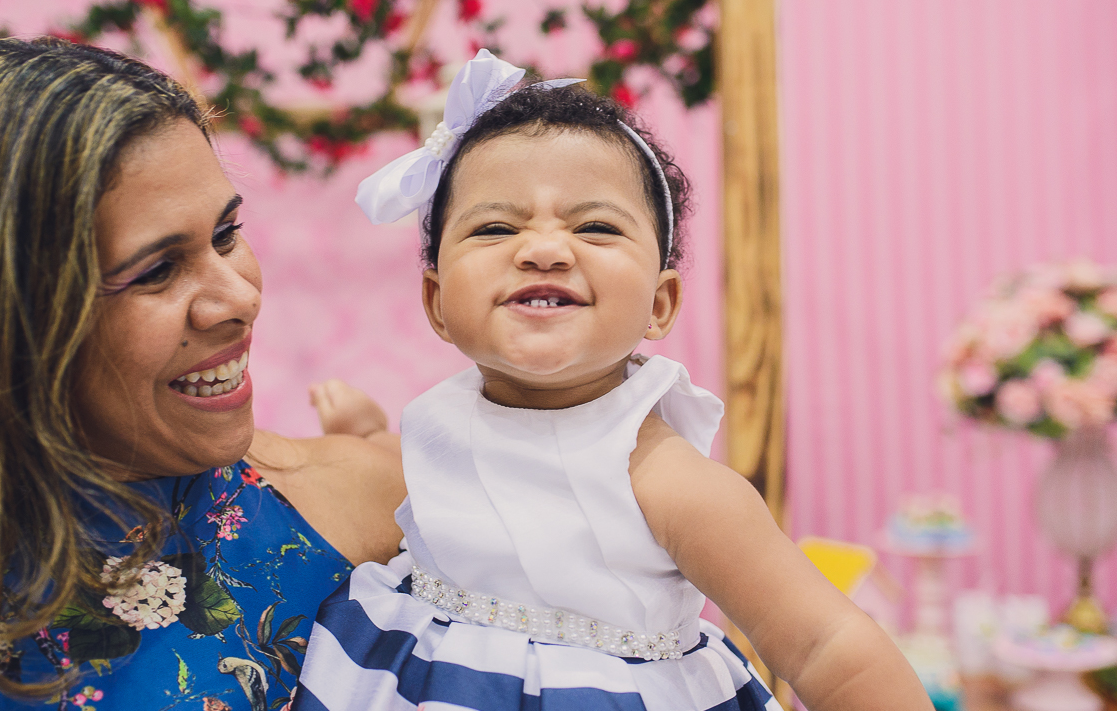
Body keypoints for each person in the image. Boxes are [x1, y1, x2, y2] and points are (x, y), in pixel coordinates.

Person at [295, 50, 933, 711]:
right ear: (436, 303)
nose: (543, 248)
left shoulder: (670, 483)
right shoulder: (439, 419)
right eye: (495, 227)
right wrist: (369, 435)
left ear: (659, 304)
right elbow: (432, 494)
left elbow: (825, 644)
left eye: (595, 227)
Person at [0, 38, 407, 711]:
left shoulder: (372, 506)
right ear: (4, 319)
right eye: (156, 270)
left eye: (227, 234)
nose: (240, 300)